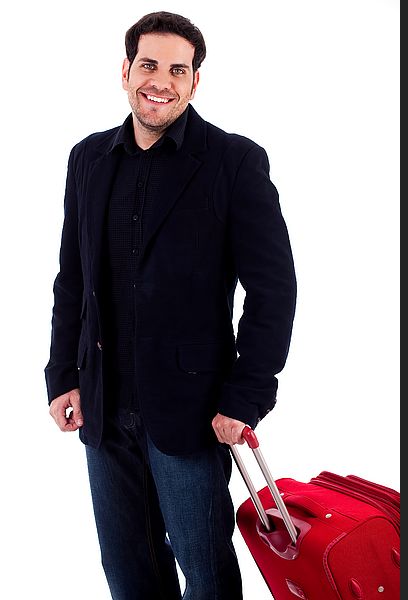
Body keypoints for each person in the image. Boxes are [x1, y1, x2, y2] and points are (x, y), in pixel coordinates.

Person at [45, 11, 296, 600]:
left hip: (194, 411)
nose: (160, 80)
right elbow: (71, 279)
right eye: (148, 65)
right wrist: (62, 376)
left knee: (205, 574)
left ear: (195, 82)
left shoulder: (234, 162)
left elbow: (273, 290)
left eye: (176, 69)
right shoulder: (87, 160)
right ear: (126, 70)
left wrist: (246, 397)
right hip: (104, 410)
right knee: (127, 571)